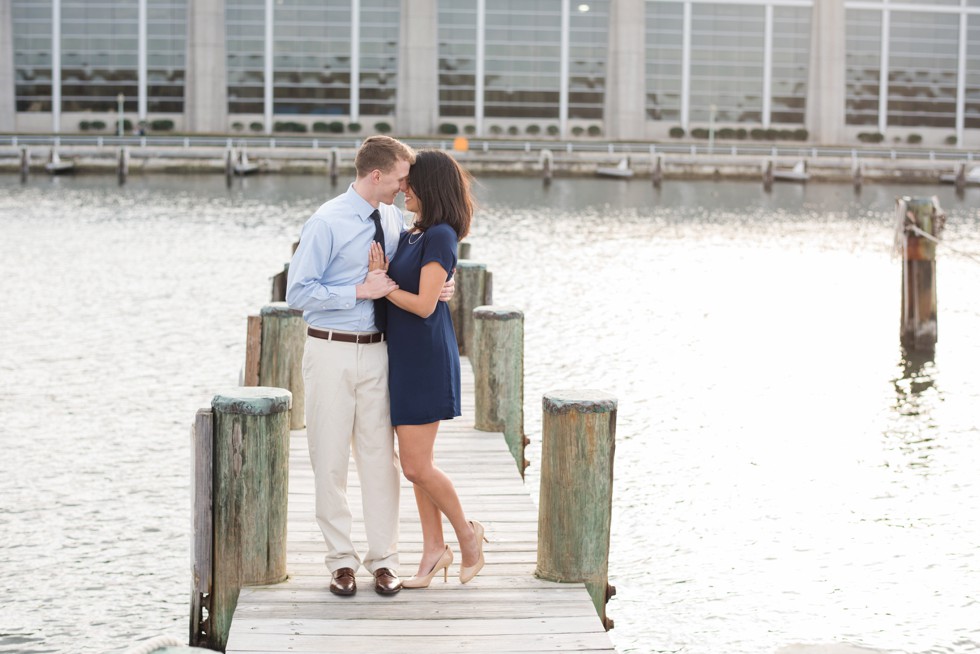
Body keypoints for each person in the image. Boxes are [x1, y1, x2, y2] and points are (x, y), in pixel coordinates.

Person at [285, 135, 453, 597]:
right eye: (401, 178)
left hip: (381, 352)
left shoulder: (396, 220)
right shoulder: (327, 222)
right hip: (331, 350)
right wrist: (361, 291)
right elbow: (297, 293)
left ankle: (384, 561)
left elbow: (420, 270)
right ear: (376, 175)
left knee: (381, 460)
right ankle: (340, 562)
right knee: (330, 459)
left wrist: (444, 287)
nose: (405, 187)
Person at [368, 149, 487, 589]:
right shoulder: (416, 233)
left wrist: (383, 285)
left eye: (409, 182)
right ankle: (434, 551)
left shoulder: (440, 235)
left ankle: (467, 536)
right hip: (404, 357)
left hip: (425, 358)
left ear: (428, 186)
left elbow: (421, 305)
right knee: (417, 463)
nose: (402, 188)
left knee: (417, 467)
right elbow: (429, 291)